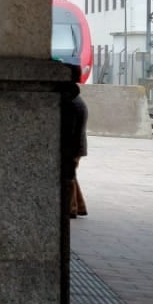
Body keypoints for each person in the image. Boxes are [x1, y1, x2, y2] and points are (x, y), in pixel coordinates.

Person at [63, 81, 89, 220]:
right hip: (77, 145)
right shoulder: (77, 101)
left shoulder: (72, 104)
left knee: (69, 176)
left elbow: (70, 129)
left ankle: (71, 208)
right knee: (72, 175)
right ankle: (80, 206)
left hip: (73, 146)